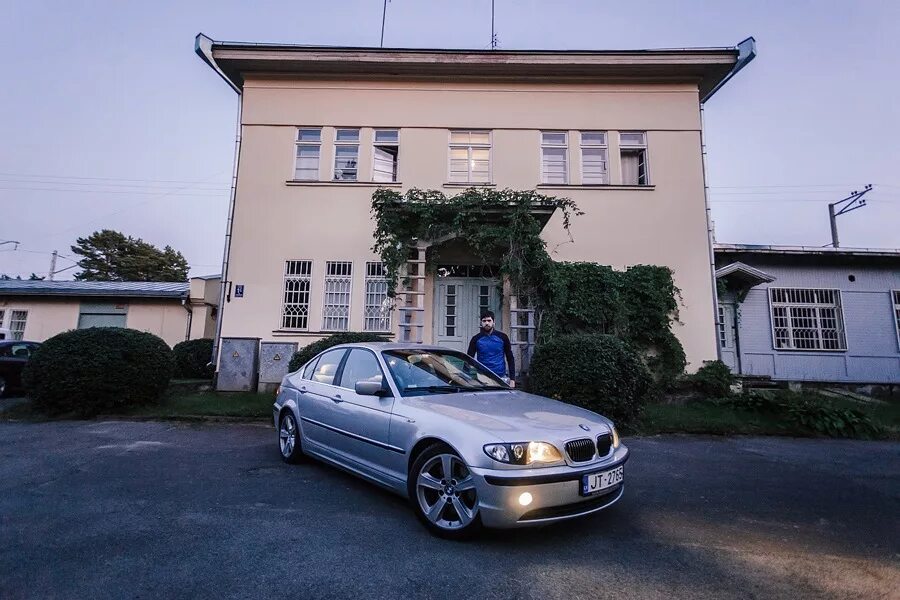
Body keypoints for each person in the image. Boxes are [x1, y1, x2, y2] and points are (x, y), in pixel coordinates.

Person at [467, 310, 516, 387]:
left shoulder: (503, 337)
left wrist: (512, 379)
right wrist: (466, 379)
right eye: (484, 321)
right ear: (481, 323)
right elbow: (468, 359)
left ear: (493, 322)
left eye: (489, 320)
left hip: (500, 377)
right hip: (482, 378)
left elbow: (510, 358)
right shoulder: (476, 339)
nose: (487, 323)